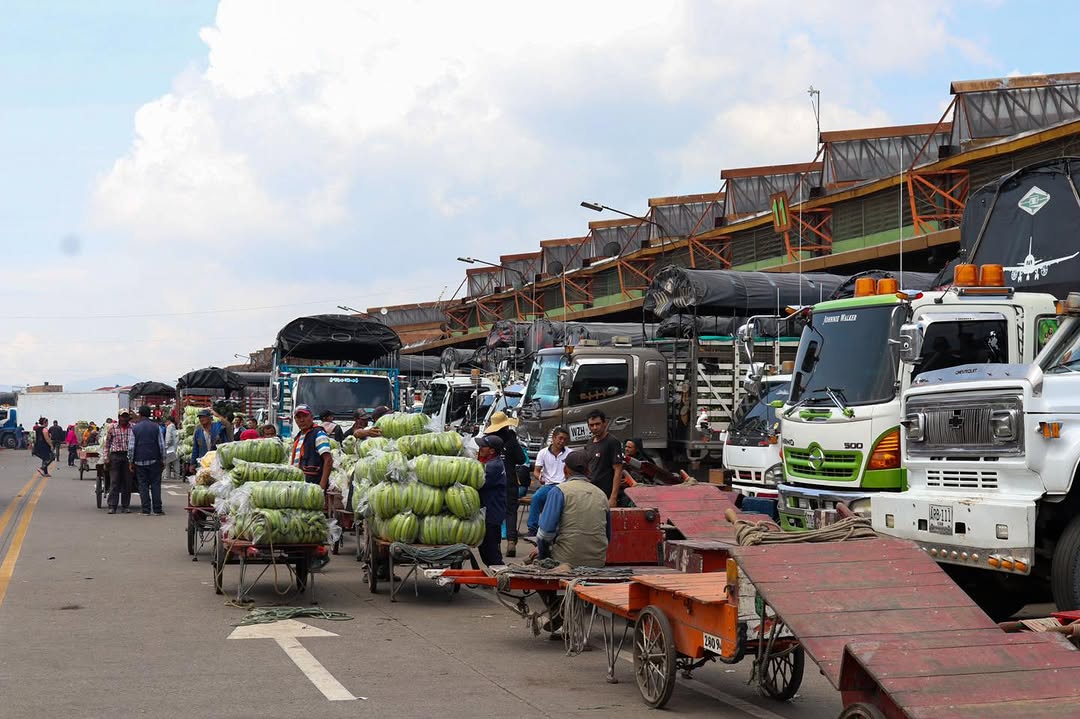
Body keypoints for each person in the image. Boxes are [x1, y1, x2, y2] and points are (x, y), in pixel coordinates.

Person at [530, 449, 611, 634]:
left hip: (567, 559)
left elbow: (544, 534)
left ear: (566, 470)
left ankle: (556, 610)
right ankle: (563, 612)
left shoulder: (559, 491)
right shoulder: (601, 495)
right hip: (597, 560)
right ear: (588, 472)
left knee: (536, 567)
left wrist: (544, 555)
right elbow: (608, 536)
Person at [483, 411, 526, 557]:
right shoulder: (511, 440)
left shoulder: (489, 440)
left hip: (493, 480)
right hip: (509, 479)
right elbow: (521, 459)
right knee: (510, 511)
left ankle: (494, 544)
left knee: (493, 511)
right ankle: (511, 541)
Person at [527, 427, 570, 537]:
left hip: (565, 485)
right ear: (554, 438)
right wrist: (540, 477)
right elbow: (536, 471)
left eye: (565, 439)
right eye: (560, 438)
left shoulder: (570, 453)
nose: (562, 441)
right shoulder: (543, 453)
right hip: (549, 484)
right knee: (536, 497)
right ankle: (532, 528)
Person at [475, 435, 507, 567]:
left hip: (492, 513)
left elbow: (476, 482)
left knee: (491, 550)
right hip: (492, 511)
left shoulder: (493, 467)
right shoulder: (493, 463)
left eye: (483, 446)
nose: (480, 448)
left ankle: (501, 578)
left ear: (492, 451)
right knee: (485, 548)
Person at [131, 406, 165, 515]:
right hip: (154, 460)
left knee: (143, 485)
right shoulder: (156, 427)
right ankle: (157, 509)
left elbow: (131, 447)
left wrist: (131, 461)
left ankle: (146, 509)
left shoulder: (135, 428)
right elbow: (161, 445)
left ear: (140, 415)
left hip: (139, 461)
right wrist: (163, 459)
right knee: (155, 484)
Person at [586, 410, 624, 508]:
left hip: (605, 493)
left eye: (597, 424)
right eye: (591, 425)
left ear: (604, 423)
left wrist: (613, 497)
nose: (595, 427)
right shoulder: (590, 442)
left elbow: (618, 469)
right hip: (591, 491)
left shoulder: (612, 442)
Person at [290, 405, 333, 489]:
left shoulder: (318, 434)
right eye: (298, 417)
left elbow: (328, 460)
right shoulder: (299, 436)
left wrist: (322, 486)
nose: (302, 420)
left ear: (311, 417)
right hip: (301, 485)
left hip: (313, 486)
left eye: (305, 416)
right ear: (295, 419)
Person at [104, 409, 135, 513]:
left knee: (127, 482)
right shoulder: (112, 428)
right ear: (119, 417)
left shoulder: (133, 427)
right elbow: (107, 444)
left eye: (126, 416)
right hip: (115, 456)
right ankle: (112, 506)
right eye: (122, 416)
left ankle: (125, 506)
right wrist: (106, 458)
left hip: (128, 457)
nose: (124, 419)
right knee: (114, 481)